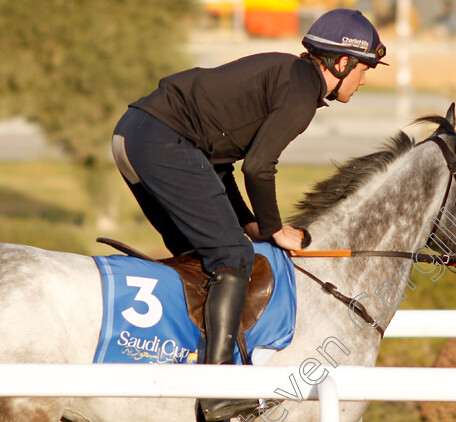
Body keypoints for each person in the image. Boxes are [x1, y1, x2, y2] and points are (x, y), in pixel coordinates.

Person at [110, 8, 387, 422]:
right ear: (342, 62)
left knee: (202, 257)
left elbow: (217, 162)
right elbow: (258, 166)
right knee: (233, 258)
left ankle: (173, 357)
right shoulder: (300, 92)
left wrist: (247, 220)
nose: (364, 79)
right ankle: (219, 392)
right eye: (364, 68)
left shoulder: (289, 76)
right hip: (161, 139)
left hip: (135, 133)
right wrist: (275, 230)